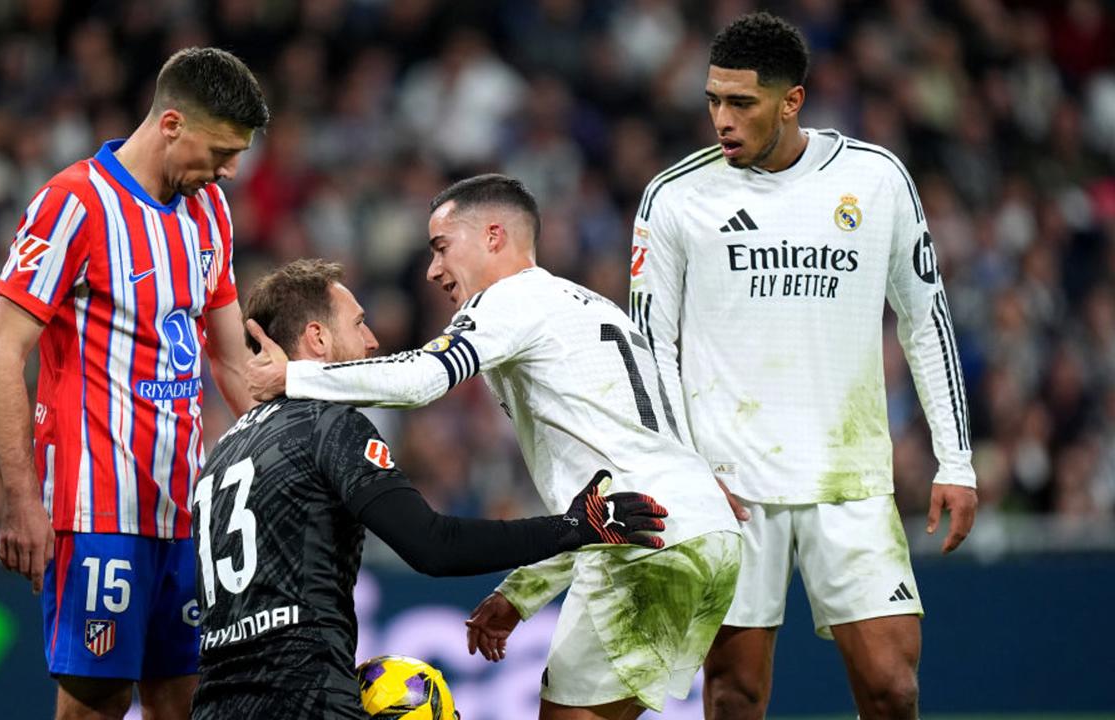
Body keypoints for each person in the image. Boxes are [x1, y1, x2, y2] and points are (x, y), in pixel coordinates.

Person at [247, 175, 743, 720]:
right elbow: (598, 509)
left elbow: (421, 380)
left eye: (441, 247)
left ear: (493, 236)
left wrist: (295, 376)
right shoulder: (592, 309)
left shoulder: (512, 301)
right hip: (698, 527)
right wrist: (523, 593)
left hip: (650, 541)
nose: (432, 270)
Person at [625, 13, 978, 720]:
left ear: (792, 101)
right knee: (734, 695)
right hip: (728, 485)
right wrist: (673, 473)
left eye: (741, 103)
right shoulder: (675, 198)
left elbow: (925, 318)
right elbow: (646, 350)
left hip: (847, 479)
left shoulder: (875, 180)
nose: (721, 120)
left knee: (892, 687)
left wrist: (956, 460)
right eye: (713, 101)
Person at [191, 259, 669, 719]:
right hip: (307, 697)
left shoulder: (221, 454)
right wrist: (576, 526)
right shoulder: (328, 424)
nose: (373, 340)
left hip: (213, 704)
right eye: (358, 323)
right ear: (317, 338)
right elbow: (433, 546)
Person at [0, 47, 269, 720]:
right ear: (171, 124)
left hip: (185, 512)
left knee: (187, 702)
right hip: (95, 512)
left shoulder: (210, 213)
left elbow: (230, 361)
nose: (229, 170)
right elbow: (2, 352)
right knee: (95, 706)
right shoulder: (73, 204)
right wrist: (22, 497)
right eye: (222, 151)